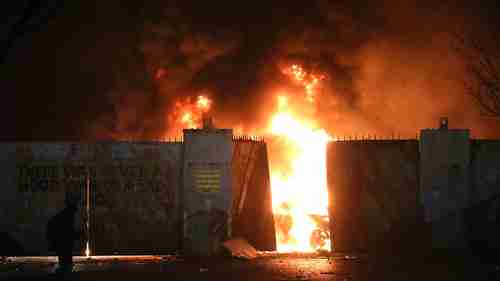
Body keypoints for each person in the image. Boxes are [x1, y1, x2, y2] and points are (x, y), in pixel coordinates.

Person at [46, 198, 80, 275]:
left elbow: (68, 232)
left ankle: (63, 270)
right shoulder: (67, 217)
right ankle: (65, 271)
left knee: (64, 258)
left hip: (59, 240)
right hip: (61, 241)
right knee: (65, 258)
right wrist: (77, 235)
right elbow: (68, 232)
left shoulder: (63, 216)